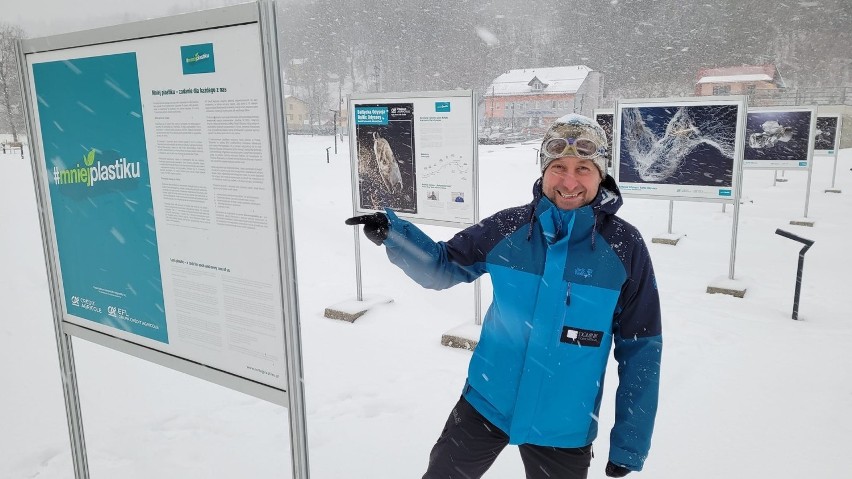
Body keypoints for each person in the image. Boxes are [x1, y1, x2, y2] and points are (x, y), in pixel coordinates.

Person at [345, 113, 662, 479]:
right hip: (485, 402)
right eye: (558, 166)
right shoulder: (508, 229)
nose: (569, 180)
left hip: (564, 425)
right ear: (544, 170)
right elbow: (444, 266)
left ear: (601, 173)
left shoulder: (625, 247)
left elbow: (641, 348)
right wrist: (395, 235)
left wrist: (630, 442)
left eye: (584, 168)